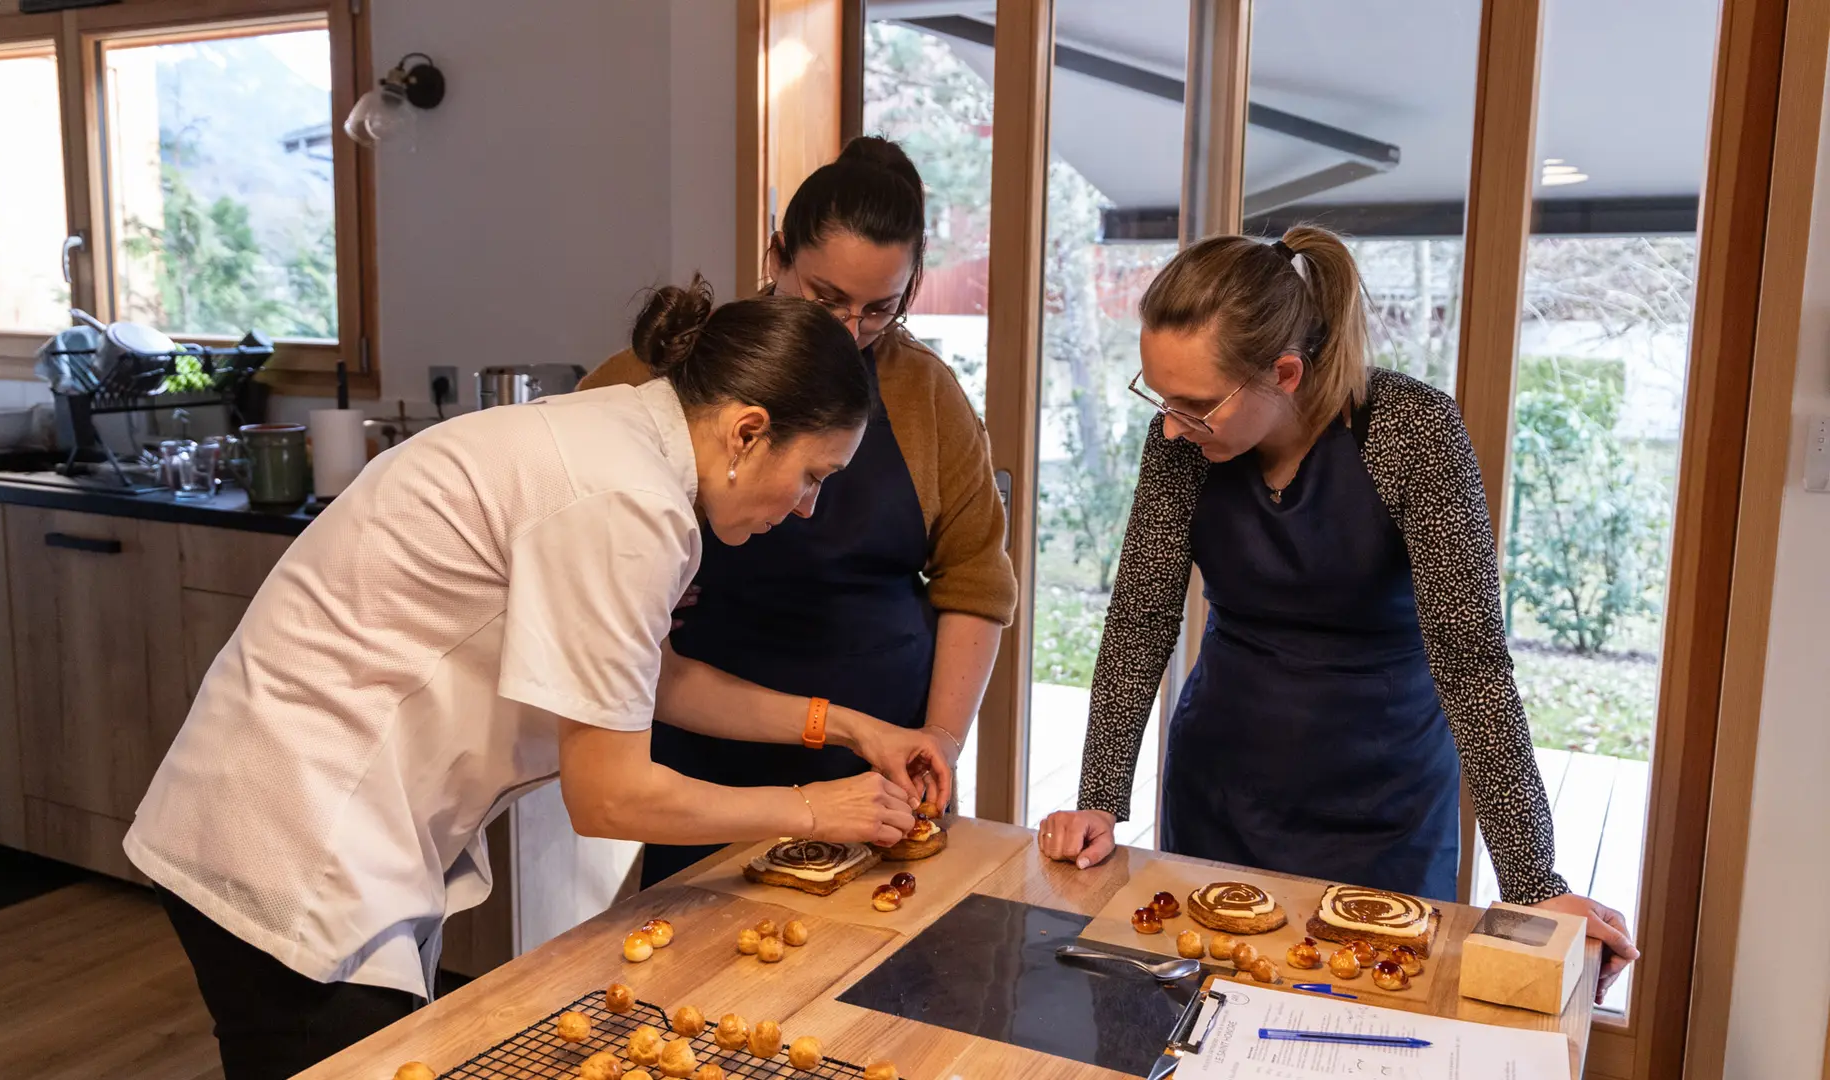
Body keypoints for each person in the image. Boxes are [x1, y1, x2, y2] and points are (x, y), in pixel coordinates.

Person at [124, 279, 954, 1080]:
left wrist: (846, 727)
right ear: (746, 431)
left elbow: (652, 682)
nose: (808, 507)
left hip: (293, 816)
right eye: (813, 475)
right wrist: (813, 808)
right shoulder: (631, 501)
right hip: (292, 839)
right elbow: (611, 798)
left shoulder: (619, 442)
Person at [1035, 227, 1640, 1002]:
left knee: (1369, 1015)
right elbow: (1139, 619)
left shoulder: (1412, 431)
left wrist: (1533, 877)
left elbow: (1472, 662)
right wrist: (1099, 793)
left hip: (1382, 803)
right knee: (1200, 1009)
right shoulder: (1180, 442)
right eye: (1159, 397)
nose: (1171, 424)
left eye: (1193, 404)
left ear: (1284, 372)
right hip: (1222, 787)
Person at [581, 137, 1014, 888]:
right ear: (776, 256)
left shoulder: (928, 394)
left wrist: (938, 737)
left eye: (880, 308)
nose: (850, 333)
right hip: (707, 736)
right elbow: (588, 521)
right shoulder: (665, 384)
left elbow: (975, 579)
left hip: (879, 743)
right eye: (827, 300)